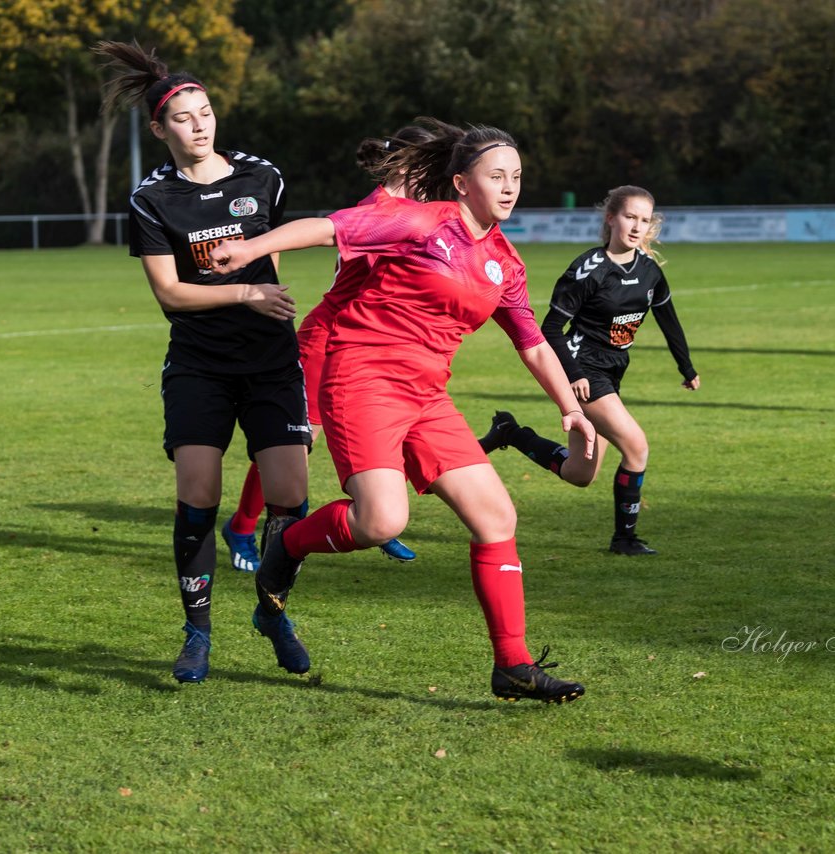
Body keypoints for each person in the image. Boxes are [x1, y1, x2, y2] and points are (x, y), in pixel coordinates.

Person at [211, 122, 594, 704]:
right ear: (462, 183)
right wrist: (251, 248)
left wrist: (571, 408)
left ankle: (513, 666)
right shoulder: (421, 220)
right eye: (497, 177)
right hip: (362, 377)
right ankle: (284, 548)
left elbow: (532, 342)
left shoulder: (504, 260)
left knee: (497, 518)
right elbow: (329, 226)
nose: (511, 187)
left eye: (517, 176)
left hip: (427, 396)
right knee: (382, 523)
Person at [95, 40, 311, 683]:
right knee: (198, 492)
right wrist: (246, 289)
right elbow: (170, 292)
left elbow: (279, 250)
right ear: (160, 129)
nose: (200, 125)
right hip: (199, 363)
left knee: (290, 498)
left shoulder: (260, 177)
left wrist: (267, 288)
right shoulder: (152, 199)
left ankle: (272, 611)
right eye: (184, 118)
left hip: (271, 361)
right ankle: (196, 632)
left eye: (207, 112)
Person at [220, 130, 436, 573]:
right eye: (429, 167)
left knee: (377, 424)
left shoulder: (416, 213)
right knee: (296, 442)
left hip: (367, 342)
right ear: (403, 166)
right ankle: (241, 528)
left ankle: (379, 519)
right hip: (331, 338)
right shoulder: (377, 212)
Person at [477, 186, 699, 556]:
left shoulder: (649, 272)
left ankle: (511, 433)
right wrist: (574, 373)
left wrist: (686, 367)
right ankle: (624, 540)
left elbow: (669, 321)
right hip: (583, 372)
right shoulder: (588, 270)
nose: (636, 226)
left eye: (644, 220)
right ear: (611, 218)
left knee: (580, 474)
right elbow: (549, 328)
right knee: (637, 446)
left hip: (611, 373)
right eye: (630, 216)